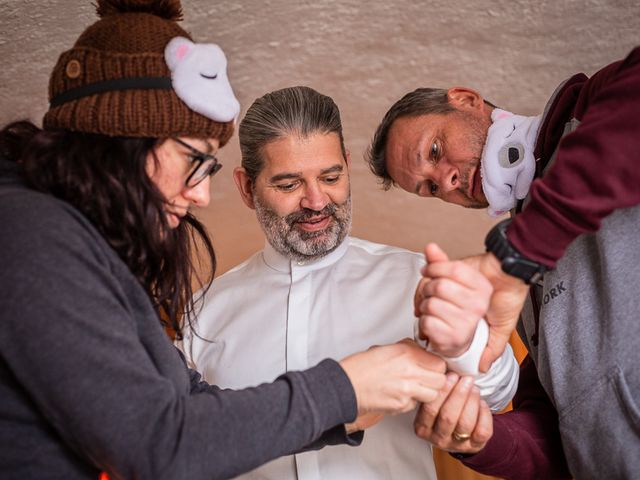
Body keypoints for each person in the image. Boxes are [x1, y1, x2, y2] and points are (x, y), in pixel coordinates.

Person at [0, 2, 453, 479]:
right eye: (194, 160)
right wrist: (345, 389)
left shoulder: (69, 244)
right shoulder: (31, 235)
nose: (199, 194)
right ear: (124, 140)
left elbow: (190, 406)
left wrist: (350, 404)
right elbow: (160, 442)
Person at [179, 85, 520, 480]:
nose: (317, 200)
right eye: (289, 185)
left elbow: (499, 393)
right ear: (246, 187)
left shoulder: (419, 278)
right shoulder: (203, 314)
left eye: (330, 176)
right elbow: (182, 443)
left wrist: (463, 343)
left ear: (345, 164)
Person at [366, 46, 640, 479]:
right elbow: (559, 434)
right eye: (431, 189)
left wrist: (521, 252)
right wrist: (481, 437)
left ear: (468, 99)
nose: (447, 181)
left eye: (435, 150)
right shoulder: (518, 291)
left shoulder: (591, 104)